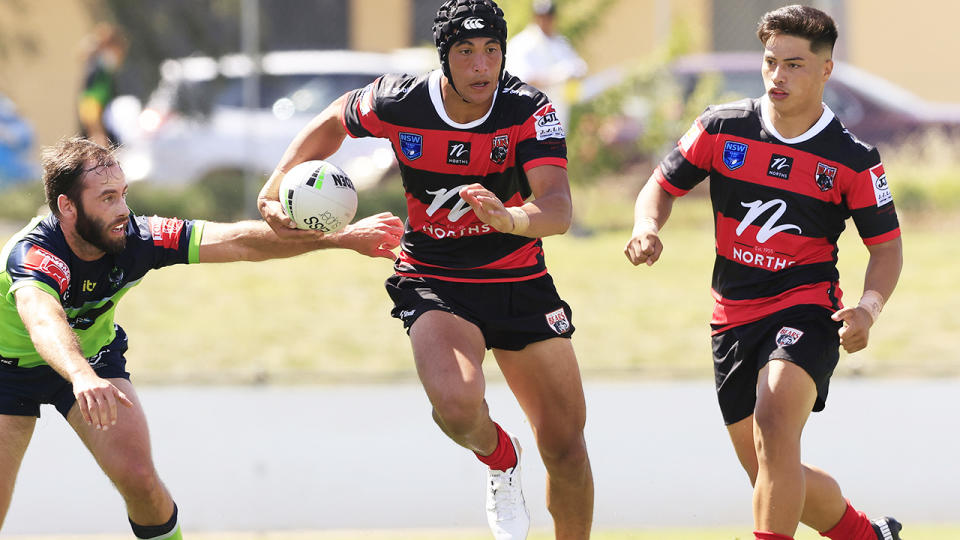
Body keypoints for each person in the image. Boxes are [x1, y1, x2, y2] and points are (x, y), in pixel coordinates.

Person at [257, 1, 593, 538]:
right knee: (458, 408)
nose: (482, 66)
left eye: (492, 51)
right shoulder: (399, 100)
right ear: (444, 58)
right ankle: (501, 459)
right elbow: (332, 121)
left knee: (567, 448)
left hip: (519, 279)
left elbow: (556, 209)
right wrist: (275, 186)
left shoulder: (529, 109)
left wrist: (508, 216)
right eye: (466, 53)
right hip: (434, 278)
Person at [0, 137, 403, 537]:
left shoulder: (140, 237)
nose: (123, 210)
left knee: (141, 481)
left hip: (93, 361)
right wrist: (80, 375)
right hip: (11, 371)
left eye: (123, 194)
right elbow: (42, 318)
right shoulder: (32, 254)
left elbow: (241, 242)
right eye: (106, 198)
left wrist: (342, 238)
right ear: (66, 207)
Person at [625, 6, 904, 540]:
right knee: (770, 473)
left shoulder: (853, 159)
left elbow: (887, 249)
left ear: (826, 69)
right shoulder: (720, 127)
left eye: (795, 65)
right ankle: (869, 536)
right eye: (771, 62)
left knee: (775, 426)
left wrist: (869, 309)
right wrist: (646, 226)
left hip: (806, 308)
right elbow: (661, 185)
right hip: (731, 317)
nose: (778, 76)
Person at [505, 0, 587, 129]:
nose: (545, 21)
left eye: (549, 16)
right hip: (530, 115)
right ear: (535, 17)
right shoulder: (522, 44)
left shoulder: (560, 43)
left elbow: (579, 69)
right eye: (541, 16)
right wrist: (558, 76)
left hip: (558, 114)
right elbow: (522, 81)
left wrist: (574, 73)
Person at [78, 23, 128, 147]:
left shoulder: (105, 64)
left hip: (103, 108)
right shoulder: (98, 65)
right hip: (93, 103)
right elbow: (90, 107)